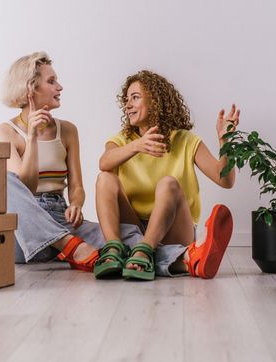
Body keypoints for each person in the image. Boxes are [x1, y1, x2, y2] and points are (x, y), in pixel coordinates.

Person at [0, 52, 141, 271]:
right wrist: (32, 137)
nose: (59, 87)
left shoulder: (68, 130)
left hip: (62, 219)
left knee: (128, 234)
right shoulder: (5, 132)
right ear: (30, 88)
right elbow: (25, 188)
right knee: (5, 180)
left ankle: (185, 258)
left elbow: (77, 187)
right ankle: (67, 246)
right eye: (51, 82)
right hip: (25, 231)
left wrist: (76, 204)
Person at [94, 70, 239, 280]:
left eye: (135, 97)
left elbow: (225, 180)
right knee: (105, 178)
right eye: (126, 100)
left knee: (168, 183)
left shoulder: (186, 140)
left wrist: (225, 141)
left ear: (155, 100)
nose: (128, 105)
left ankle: (145, 251)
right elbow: (104, 163)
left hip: (175, 230)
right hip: (136, 226)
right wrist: (137, 146)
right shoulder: (122, 141)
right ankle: (117, 252)